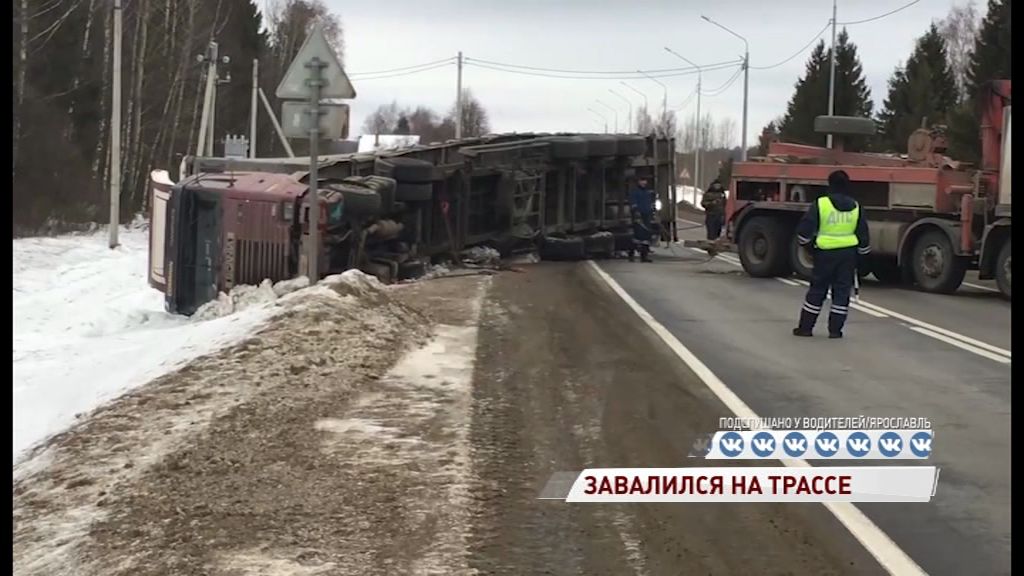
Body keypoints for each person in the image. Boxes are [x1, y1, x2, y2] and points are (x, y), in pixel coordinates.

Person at [792, 170, 871, 339]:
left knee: (817, 291)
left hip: (825, 254)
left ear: (830, 184)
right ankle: (835, 331)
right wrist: (862, 259)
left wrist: (810, 248)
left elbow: (803, 233)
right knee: (842, 293)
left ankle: (805, 328)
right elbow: (863, 236)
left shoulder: (821, 204)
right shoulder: (856, 206)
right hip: (848, 256)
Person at [628, 177, 655, 262]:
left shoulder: (647, 193)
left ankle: (644, 256)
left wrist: (652, 212)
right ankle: (631, 254)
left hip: (647, 216)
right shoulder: (635, 192)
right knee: (637, 236)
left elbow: (650, 204)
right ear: (638, 182)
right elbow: (633, 203)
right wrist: (636, 213)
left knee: (646, 237)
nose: (643, 182)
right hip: (638, 216)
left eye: (644, 181)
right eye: (642, 181)